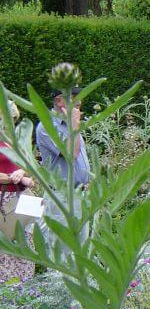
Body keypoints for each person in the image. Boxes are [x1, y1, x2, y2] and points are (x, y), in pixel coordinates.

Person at [35, 87, 90, 244]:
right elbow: (71, 154)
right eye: (74, 97)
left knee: (81, 251)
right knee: (65, 252)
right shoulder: (46, 127)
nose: (79, 101)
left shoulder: (70, 124)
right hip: (62, 198)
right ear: (59, 101)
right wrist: (74, 124)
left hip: (80, 195)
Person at [0, 102, 35, 282]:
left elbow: (29, 165)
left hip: (24, 195)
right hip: (3, 197)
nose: (10, 122)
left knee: (26, 238)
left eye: (12, 118)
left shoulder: (17, 139)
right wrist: (11, 177)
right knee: (5, 242)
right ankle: (7, 292)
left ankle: (27, 286)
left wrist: (22, 172)